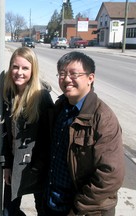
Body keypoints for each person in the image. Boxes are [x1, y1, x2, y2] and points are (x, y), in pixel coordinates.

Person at [43, 51, 125, 216]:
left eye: (74, 74)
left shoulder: (103, 118)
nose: (66, 79)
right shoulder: (60, 108)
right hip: (53, 202)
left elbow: (110, 175)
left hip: (84, 210)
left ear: (90, 78)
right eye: (62, 74)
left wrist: (78, 206)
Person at [1, 47, 53, 216]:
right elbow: (6, 133)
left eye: (25, 68)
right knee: (9, 210)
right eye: (15, 67)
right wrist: (6, 165)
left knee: (43, 209)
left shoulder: (42, 96)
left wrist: (39, 167)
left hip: (38, 166)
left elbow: (49, 137)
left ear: (33, 70)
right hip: (15, 165)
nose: (19, 72)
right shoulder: (8, 93)